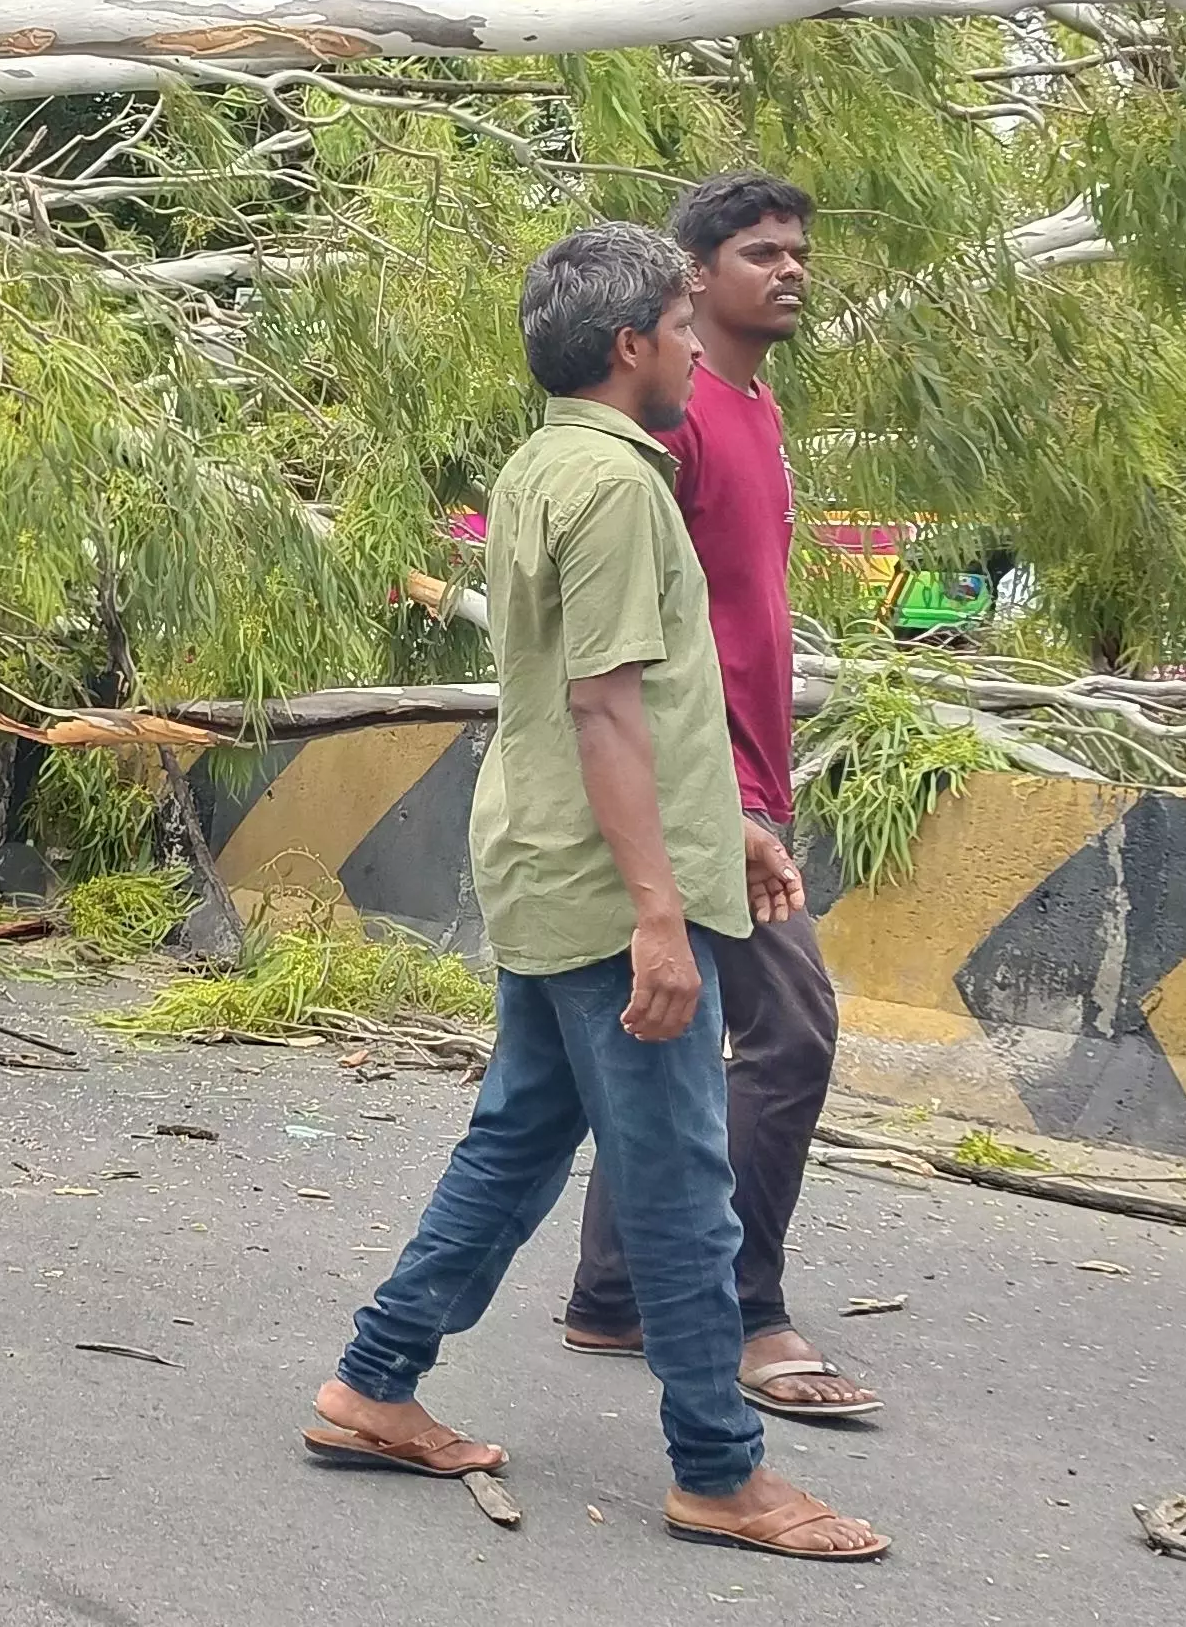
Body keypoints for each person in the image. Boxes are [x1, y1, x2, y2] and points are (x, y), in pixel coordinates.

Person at [300, 222, 884, 1563]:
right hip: (604, 888)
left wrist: (722, 824)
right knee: (678, 1176)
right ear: (632, 345)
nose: (695, 348)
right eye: (681, 329)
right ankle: (720, 1475)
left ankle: (372, 1385)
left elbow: (637, 708)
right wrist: (660, 914)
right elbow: (606, 705)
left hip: (557, 857)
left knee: (515, 1140)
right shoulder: (622, 487)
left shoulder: (549, 465)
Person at [560, 172, 875, 1420]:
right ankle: (742, 1308)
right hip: (706, 788)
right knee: (791, 1032)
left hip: (748, 775)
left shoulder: (756, 407)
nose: (791, 270)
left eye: (799, 251)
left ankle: (612, 1292)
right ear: (691, 277)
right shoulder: (672, 428)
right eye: (761, 253)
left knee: (655, 1037)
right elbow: (635, 652)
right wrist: (724, 803)